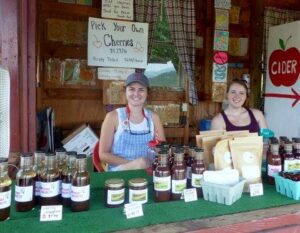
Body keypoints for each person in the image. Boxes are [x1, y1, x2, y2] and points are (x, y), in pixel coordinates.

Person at [99, 72, 166, 171]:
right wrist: (135, 165)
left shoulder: (154, 118)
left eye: (141, 90)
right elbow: (103, 155)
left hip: (147, 172)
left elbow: (162, 150)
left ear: (147, 93)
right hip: (119, 172)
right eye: (131, 89)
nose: (136, 94)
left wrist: (156, 151)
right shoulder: (113, 117)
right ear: (125, 91)